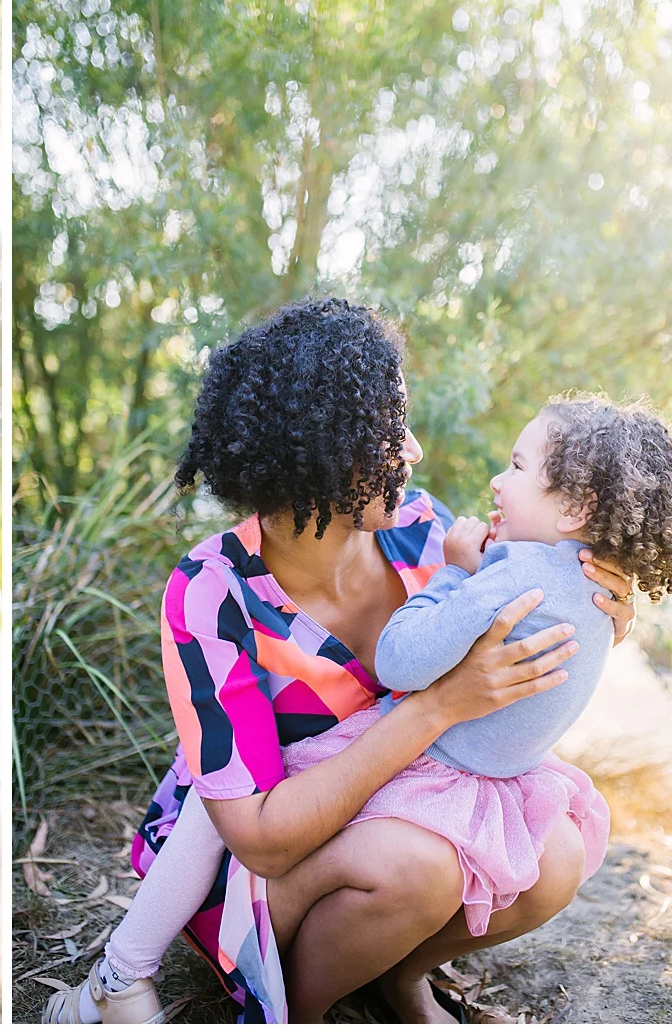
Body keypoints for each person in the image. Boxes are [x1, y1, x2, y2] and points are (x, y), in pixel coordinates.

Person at [43, 298, 638, 1025]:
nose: (413, 450)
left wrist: (602, 614)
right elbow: (259, 838)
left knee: (557, 855)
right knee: (420, 869)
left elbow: (526, 638)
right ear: (319, 448)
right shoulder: (212, 592)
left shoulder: (424, 531)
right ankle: (287, 1003)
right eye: (389, 434)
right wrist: (440, 705)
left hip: (395, 817)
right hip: (255, 865)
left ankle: (396, 973)